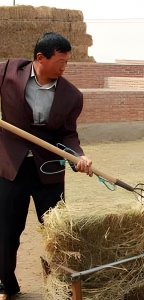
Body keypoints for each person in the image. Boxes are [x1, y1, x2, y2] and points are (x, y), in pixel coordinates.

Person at [0, 32, 93, 299]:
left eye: (67, 62)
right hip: (10, 168)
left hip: (48, 171)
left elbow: (68, 135)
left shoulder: (71, 95)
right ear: (40, 58)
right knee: (6, 232)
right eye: (60, 62)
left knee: (58, 233)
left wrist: (79, 157)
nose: (65, 67)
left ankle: (61, 283)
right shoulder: (9, 71)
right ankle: (6, 283)